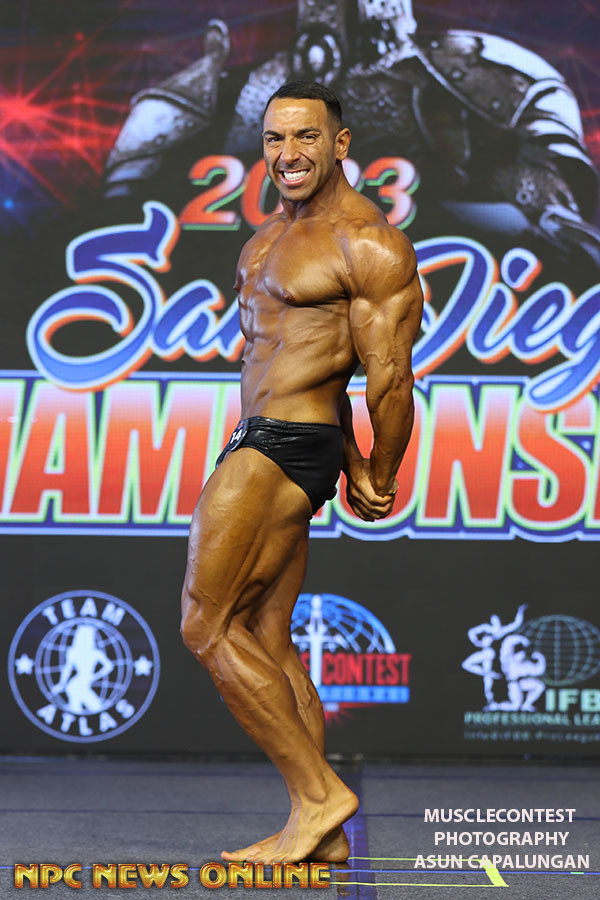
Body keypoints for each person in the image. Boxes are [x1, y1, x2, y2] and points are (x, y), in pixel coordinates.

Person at [180, 81, 423, 864]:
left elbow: (388, 377)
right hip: (280, 437)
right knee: (265, 635)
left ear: (340, 144)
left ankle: (319, 795)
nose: (288, 153)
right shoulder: (262, 243)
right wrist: (345, 455)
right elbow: (297, 363)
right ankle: (322, 834)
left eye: (306, 137)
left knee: (205, 624)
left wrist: (377, 468)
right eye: (275, 138)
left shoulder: (369, 243)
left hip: (283, 446)